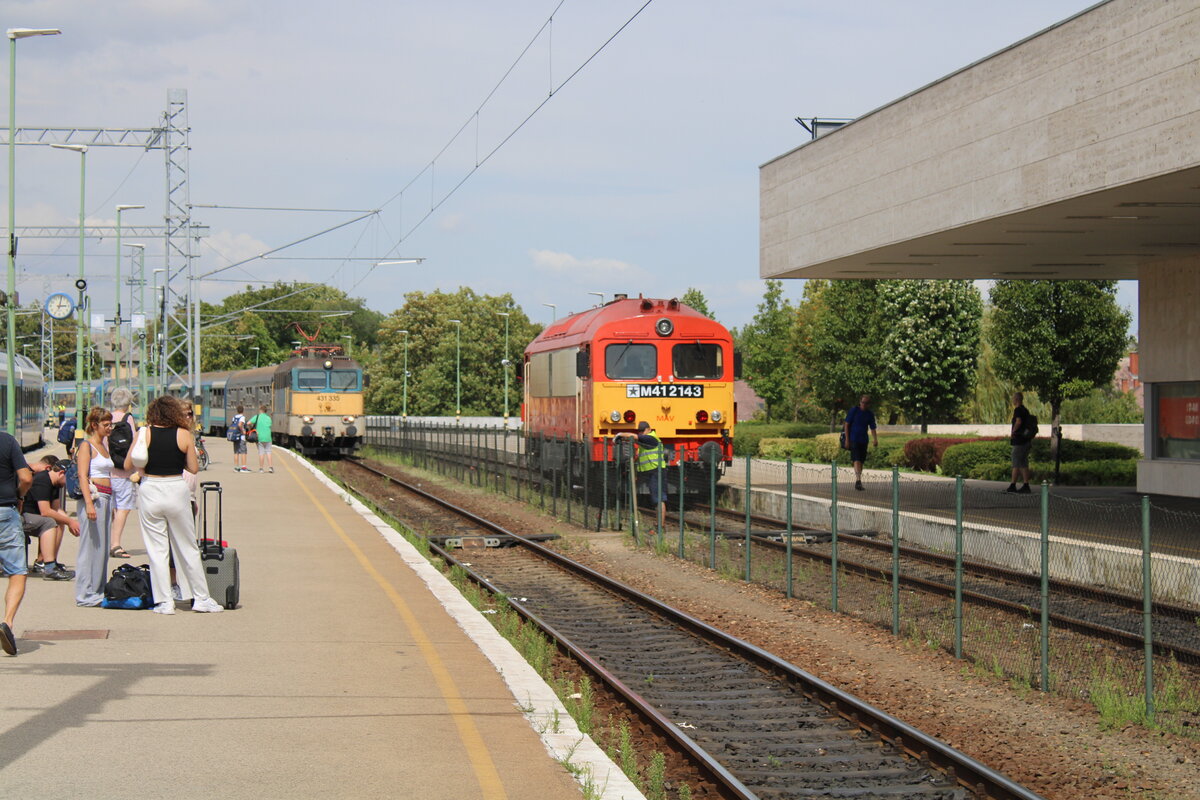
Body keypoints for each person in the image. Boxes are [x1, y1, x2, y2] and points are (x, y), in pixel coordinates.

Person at [128, 395, 222, 614]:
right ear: (174, 413)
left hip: (150, 489)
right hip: (176, 489)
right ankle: (201, 598)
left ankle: (164, 602)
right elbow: (193, 468)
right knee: (187, 547)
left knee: (157, 550)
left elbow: (132, 462)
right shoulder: (183, 435)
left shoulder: (145, 433)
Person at [74, 406, 115, 607]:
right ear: (94, 425)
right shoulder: (86, 446)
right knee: (90, 547)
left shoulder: (103, 446)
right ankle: (85, 593)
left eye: (110, 424)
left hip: (106, 499)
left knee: (102, 548)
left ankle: (98, 589)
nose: (110, 428)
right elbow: (82, 475)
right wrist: (89, 503)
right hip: (94, 498)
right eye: (106, 425)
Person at [0, 427, 32, 655]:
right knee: (17, 571)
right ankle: (8, 622)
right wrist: (20, 496)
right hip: (5, 513)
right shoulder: (7, 441)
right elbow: (26, 477)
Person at [23, 456, 77, 581]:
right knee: (50, 522)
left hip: (35, 517)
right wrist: (70, 521)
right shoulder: (43, 480)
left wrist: (69, 522)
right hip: (25, 515)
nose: (70, 483)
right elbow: (46, 511)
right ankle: (47, 565)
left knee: (60, 521)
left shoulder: (56, 484)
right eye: (69, 479)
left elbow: (57, 509)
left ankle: (48, 560)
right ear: (61, 473)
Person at [616, 421, 667, 531]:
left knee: (659, 499)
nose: (641, 433)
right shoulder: (645, 442)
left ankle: (660, 527)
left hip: (656, 471)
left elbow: (634, 437)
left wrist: (620, 434)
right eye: (640, 431)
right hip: (649, 472)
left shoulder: (651, 438)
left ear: (649, 429)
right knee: (656, 499)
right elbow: (638, 450)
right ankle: (658, 525)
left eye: (643, 431)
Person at [108, 387, 138, 559]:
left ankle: (107, 542)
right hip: (124, 473)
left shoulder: (107, 419)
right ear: (128, 403)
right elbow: (133, 445)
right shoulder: (128, 419)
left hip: (107, 472)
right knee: (123, 508)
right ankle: (116, 544)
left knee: (110, 509)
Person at [843, 394, 878, 491]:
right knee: (856, 459)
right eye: (863, 402)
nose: (864, 405)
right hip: (854, 439)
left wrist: (875, 439)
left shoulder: (869, 414)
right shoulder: (854, 410)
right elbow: (847, 424)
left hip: (864, 440)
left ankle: (858, 479)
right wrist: (847, 439)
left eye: (866, 403)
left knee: (861, 461)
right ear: (860, 402)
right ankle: (858, 480)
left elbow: (873, 427)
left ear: (869, 404)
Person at [1007, 392, 1033, 494]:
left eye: (1013, 399)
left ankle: (1013, 485)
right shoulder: (1025, 410)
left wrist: (1013, 431)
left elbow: (1018, 421)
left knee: (1016, 463)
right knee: (1023, 463)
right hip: (1026, 440)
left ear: (1016, 399)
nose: (1012, 401)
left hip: (1019, 441)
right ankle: (1026, 485)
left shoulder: (1018, 410)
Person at [249, 405, 274, 473]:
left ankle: (261, 469)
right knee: (268, 452)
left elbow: (248, 423)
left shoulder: (257, 417)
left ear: (260, 410)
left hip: (259, 437)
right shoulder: (268, 418)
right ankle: (270, 467)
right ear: (266, 411)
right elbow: (269, 425)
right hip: (268, 437)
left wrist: (253, 428)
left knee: (261, 453)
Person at [229, 405, 249, 473]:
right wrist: (243, 431)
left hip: (235, 436)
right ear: (243, 410)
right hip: (241, 437)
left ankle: (236, 467)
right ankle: (243, 467)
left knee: (236, 452)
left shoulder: (234, 417)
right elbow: (240, 425)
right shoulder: (242, 417)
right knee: (243, 452)